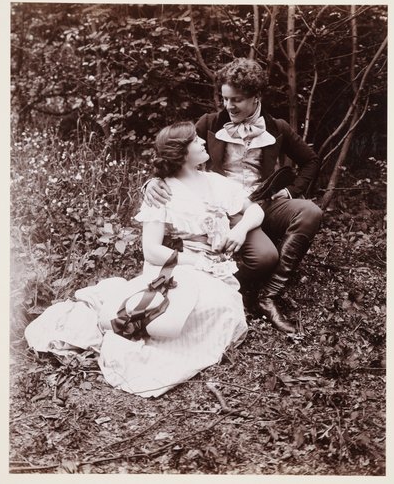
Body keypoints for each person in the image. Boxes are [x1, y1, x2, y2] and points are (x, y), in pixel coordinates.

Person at [25, 121, 264, 397]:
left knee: (225, 309)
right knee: (193, 310)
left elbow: (254, 210)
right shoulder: (163, 192)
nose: (202, 143)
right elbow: (151, 250)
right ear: (182, 153)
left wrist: (240, 229)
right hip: (186, 266)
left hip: (218, 269)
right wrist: (196, 262)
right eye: (195, 140)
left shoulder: (216, 182)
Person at [144, 58, 323, 334]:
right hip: (220, 207)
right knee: (263, 256)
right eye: (225, 99)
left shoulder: (277, 128)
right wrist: (152, 183)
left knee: (310, 211)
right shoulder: (210, 124)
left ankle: (268, 295)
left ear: (256, 97)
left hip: (261, 203)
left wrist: (288, 192)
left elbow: (311, 161)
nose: (229, 106)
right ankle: (225, 282)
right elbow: (174, 152)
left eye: (237, 100)